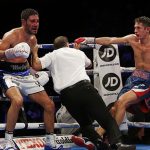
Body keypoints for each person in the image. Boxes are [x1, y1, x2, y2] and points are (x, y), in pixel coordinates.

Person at [31, 35, 136, 150]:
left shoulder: (52, 55)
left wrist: (35, 52)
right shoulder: (78, 53)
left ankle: (100, 145)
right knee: (106, 119)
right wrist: (77, 52)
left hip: (67, 95)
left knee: (85, 124)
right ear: (67, 44)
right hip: (85, 89)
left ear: (55, 47)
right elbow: (89, 64)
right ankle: (117, 144)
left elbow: (36, 65)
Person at [74, 16, 150, 139]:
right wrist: (89, 40)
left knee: (121, 102)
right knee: (115, 108)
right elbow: (110, 40)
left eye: (139, 28)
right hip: (134, 78)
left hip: (147, 81)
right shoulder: (132, 39)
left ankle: (114, 139)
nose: (136, 30)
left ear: (147, 29)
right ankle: (98, 136)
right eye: (135, 27)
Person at [0, 8, 58, 150]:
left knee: (49, 105)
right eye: (32, 21)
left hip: (25, 75)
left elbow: (29, 61)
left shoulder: (33, 39)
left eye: (37, 21)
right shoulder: (11, 35)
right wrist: (10, 52)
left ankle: (50, 140)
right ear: (23, 22)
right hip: (7, 74)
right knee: (17, 100)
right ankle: (7, 141)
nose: (36, 24)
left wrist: (33, 72)